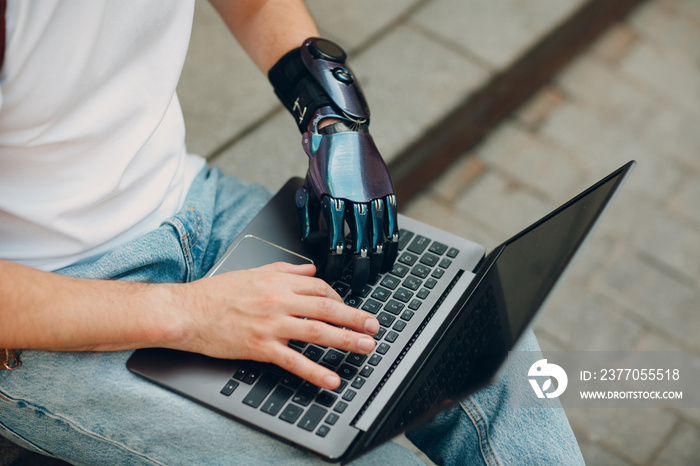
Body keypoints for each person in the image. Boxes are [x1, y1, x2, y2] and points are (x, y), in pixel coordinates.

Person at [0, 1, 584, 464]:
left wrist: (331, 115)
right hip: (47, 309)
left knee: (485, 337)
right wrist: (192, 313)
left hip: (189, 203)